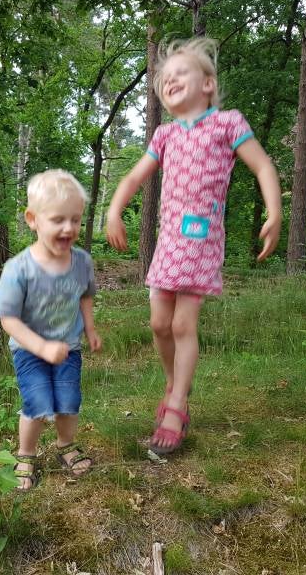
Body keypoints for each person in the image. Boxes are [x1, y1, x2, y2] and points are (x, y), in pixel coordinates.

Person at [106, 37, 282, 455]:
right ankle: (173, 383)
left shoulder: (227, 124)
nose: (169, 81)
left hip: (201, 240)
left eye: (180, 72)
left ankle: (177, 406)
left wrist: (274, 213)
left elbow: (262, 166)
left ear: (207, 84)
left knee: (183, 325)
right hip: (169, 242)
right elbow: (134, 177)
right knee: (158, 324)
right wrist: (114, 211)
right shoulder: (164, 134)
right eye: (163, 79)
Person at [0, 169, 102, 491]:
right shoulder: (18, 269)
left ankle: (65, 444)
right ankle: (26, 453)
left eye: (75, 219)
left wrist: (90, 328)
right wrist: (41, 347)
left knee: (68, 399)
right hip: (29, 351)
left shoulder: (82, 262)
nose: (68, 228)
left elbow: (85, 295)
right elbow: (8, 319)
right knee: (37, 403)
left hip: (68, 348)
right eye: (57, 220)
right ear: (33, 219)